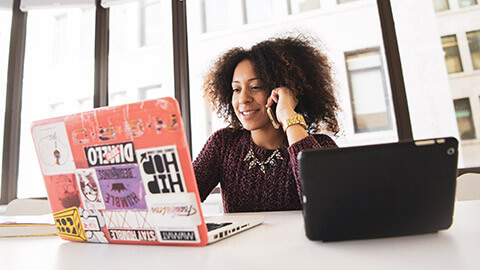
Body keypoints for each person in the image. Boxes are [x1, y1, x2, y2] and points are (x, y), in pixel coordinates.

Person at [193, 35, 340, 213]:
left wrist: (287, 116)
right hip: (243, 242)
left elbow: (328, 202)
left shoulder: (320, 146)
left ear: (281, 92)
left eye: (255, 87)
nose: (243, 99)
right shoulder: (223, 144)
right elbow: (182, 198)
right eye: (236, 89)